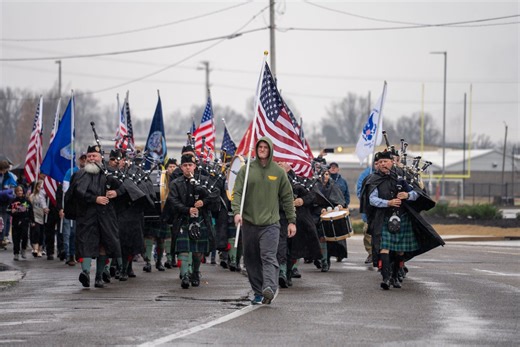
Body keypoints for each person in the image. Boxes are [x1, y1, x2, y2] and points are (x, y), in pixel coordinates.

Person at [360, 151, 444, 290]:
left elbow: (417, 193)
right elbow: (372, 200)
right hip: (384, 218)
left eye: (385, 161)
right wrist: (388, 203)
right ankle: (386, 278)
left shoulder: (401, 178)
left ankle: (395, 277)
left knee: (399, 251)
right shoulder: (373, 179)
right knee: (384, 248)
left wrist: (407, 194)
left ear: (392, 162)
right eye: (380, 162)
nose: (382, 164)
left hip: (402, 217)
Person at [232, 137, 296, 305]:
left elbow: (288, 197)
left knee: (268, 256)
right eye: (259, 146)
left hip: (270, 224)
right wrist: (237, 212)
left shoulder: (278, 172)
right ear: (256, 149)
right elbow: (237, 193)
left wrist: (291, 221)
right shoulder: (246, 171)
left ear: (270, 150)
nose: (262, 149)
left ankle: (269, 287)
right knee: (251, 259)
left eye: (265, 147)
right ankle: (258, 291)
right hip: (249, 223)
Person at [64, 145, 124, 288]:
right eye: (89, 156)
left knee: (103, 245)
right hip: (86, 216)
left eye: (94, 156)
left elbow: (124, 187)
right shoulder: (79, 175)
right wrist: (94, 198)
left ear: (100, 158)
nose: (91, 159)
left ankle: (99, 277)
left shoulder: (109, 174)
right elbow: (77, 192)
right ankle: (85, 273)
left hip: (105, 217)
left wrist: (116, 193)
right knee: (86, 244)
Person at [166, 153, 219, 289]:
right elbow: (173, 201)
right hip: (183, 218)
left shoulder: (204, 181)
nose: (188, 168)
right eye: (185, 165)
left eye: (190, 165)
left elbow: (215, 194)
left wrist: (203, 202)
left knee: (197, 251)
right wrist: (187, 209)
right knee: (183, 249)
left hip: (201, 219)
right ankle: (184, 275)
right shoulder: (175, 183)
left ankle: (195, 272)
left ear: (195, 166)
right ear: (181, 167)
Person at [59, 152, 87, 266]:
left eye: (85, 158)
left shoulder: (89, 172)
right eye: (82, 159)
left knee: (81, 233)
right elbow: (65, 189)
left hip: (85, 207)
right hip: (72, 206)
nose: (84, 161)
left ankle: (80, 255)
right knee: (70, 232)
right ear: (78, 160)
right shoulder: (71, 171)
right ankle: (70, 254)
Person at [356, 157, 380, 265]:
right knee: (368, 232)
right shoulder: (366, 174)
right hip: (369, 210)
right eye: (377, 162)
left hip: (382, 210)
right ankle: (371, 253)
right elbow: (359, 191)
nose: (379, 165)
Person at [7, 186, 32, 260]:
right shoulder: (13, 201)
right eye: (18, 191)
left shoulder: (26, 201)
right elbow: (8, 210)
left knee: (25, 236)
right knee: (16, 238)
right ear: (16, 192)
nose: (20, 192)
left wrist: (32, 220)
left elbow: (30, 210)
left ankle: (23, 250)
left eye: (21, 191)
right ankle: (16, 253)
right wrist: (12, 212)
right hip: (16, 221)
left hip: (24, 221)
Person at [28, 180, 48, 258]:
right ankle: (35, 249)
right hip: (35, 217)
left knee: (42, 234)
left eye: (42, 187)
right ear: (36, 187)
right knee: (36, 232)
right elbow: (29, 207)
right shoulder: (32, 196)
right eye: (39, 187)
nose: (40, 189)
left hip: (43, 217)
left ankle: (40, 249)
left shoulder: (46, 196)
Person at [0, 160, 17, 248]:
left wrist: (10, 192)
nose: (4, 172)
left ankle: (3, 238)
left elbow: (14, 186)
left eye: (5, 170)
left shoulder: (9, 176)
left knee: (5, 220)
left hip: (5, 201)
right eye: (3, 170)